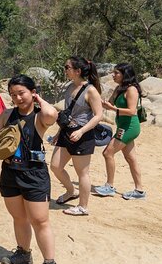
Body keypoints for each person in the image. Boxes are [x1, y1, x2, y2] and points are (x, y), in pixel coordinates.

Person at [0, 75, 62, 264]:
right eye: (13, 94)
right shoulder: (6, 115)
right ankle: (23, 253)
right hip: (10, 172)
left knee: (40, 220)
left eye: (22, 93)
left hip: (34, 174)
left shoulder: (40, 117)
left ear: (32, 92)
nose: (17, 98)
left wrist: (39, 100)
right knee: (18, 217)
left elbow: (52, 114)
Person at [50, 56, 103, 216]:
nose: (65, 70)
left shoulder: (91, 90)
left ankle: (83, 207)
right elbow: (68, 113)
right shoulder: (69, 87)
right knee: (55, 166)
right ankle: (71, 191)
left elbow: (98, 115)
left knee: (83, 173)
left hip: (83, 135)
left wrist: (81, 131)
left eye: (67, 67)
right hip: (67, 132)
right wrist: (59, 132)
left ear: (78, 71)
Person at [94, 63, 145, 200]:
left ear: (125, 74)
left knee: (107, 152)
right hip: (122, 126)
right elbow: (108, 103)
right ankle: (139, 191)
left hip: (129, 127)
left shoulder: (132, 90)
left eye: (116, 73)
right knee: (130, 158)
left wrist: (113, 109)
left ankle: (109, 186)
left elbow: (132, 111)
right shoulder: (118, 88)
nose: (113, 75)